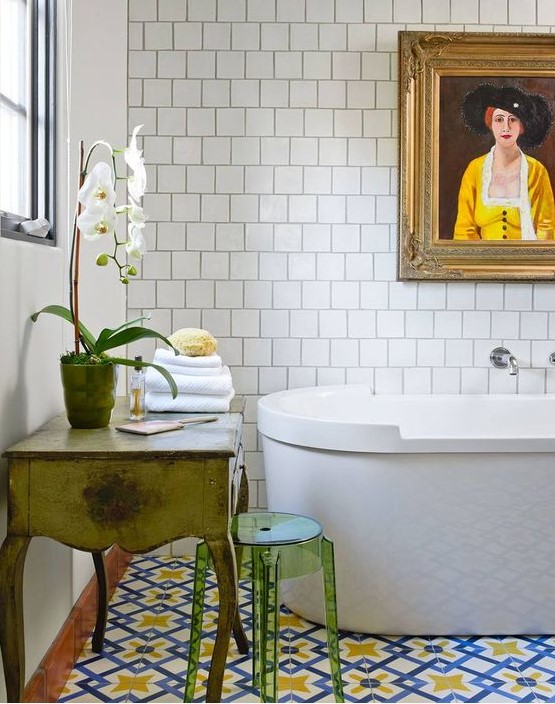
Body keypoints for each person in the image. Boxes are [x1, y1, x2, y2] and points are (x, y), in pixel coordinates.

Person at [453, 83, 555, 240]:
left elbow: (546, 227)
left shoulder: (536, 171)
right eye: (499, 119)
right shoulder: (475, 169)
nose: (506, 127)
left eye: (513, 119)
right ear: (490, 123)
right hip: (481, 262)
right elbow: (464, 230)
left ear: (522, 127)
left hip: (527, 261)